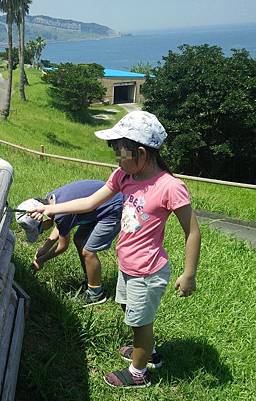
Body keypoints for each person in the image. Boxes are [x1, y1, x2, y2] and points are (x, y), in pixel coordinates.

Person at [27, 111, 201, 389]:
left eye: (120, 153)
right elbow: (89, 203)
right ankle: (148, 351)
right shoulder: (124, 176)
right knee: (128, 310)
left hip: (148, 270)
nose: (118, 160)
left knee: (141, 322)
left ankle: (138, 373)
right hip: (128, 264)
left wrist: (189, 274)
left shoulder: (170, 187)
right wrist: (49, 208)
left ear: (140, 153)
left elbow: (192, 231)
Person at [15, 180, 123, 307]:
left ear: (43, 218)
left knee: (88, 251)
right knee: (80, 240)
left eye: (40, 229)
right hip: (100, 206)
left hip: (114, 207)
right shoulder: (51, 200)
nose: (43, 231)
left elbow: (63, 246)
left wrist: (42, 260)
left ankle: (96, 293)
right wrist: (45, 247)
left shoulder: (60, 213)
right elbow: (61, 226)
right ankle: (90, 280)